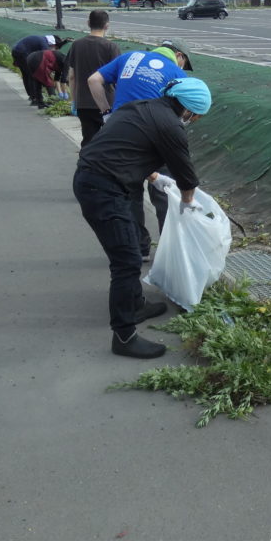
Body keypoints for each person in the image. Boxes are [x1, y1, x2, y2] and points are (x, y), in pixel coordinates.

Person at [72, 77, 212, 358]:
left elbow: (125, 146)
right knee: (126, 261)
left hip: (95, 179)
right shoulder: (171, 126)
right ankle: (124, 336)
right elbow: (187, 178)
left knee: (130, 247)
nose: (193, 121)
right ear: (188, 109)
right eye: (196, 116)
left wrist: (155, 176)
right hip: (104, 189)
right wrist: (187, 209)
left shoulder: (139, 107)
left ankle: (136, 304)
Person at [88, 39, 193, 253]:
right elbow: (182, 111)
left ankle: (138, 246)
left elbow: (93, 80)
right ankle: (168, 250)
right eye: (184, 62)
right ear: (179, 56)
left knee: (130, 191)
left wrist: (107, 113)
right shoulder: (177, 73)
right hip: (157, 136)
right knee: (164, 192)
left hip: (121, 133)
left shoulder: (130, 57)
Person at [65, 9, 120, 146]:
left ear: (88, 23)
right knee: (110, 140)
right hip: (107, 102)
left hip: (83, 101)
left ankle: (85, 166)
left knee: (88, 139)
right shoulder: (111, 47)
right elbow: (119, 79)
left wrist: (75, 100)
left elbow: (71, 76)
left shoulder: (76, 45)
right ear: (107, 26)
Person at [11, 33, 70, 106]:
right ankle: (45, 99)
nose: (55, 50)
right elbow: (45, 59)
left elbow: (57, 77)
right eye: (56, 48)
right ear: (53, 44)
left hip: (17, 51)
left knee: (27, 75)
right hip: (23, 53)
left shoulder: (43, 40)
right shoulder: (44, 44)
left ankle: (34, 97)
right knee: (34, 76)